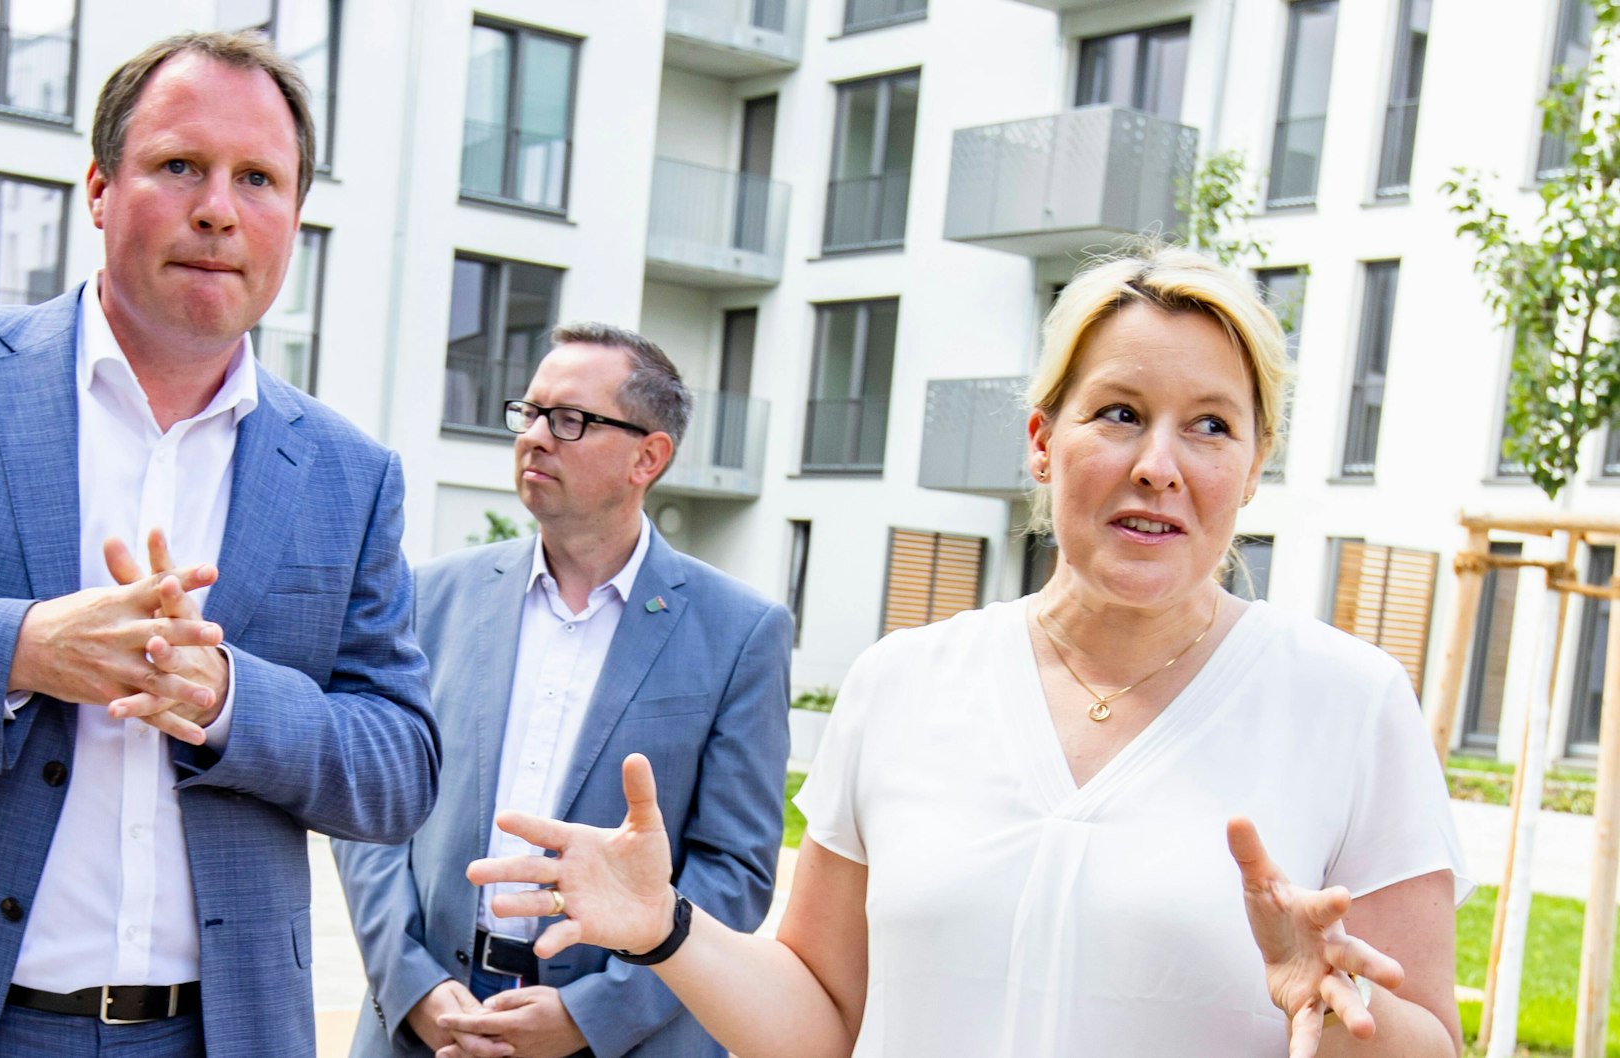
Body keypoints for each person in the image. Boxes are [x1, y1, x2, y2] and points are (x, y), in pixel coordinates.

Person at [464, 248, 1471, 1058]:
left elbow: (1426, 1037)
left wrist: (1336, 1006)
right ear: (1041, 439)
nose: (1157, 466)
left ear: (1250, 468)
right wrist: (668, 925)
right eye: (1117, 413)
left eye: (1208, 427)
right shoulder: (903, 683)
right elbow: (821, 1018)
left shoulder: (1348, 705)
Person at [0, 32, 439, 1058]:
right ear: (100, 188)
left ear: (293, 217)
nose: (217, 207)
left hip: (218, 1031)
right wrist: (20, 650)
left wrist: (230, 700)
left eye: (258, 178)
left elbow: (401, 762)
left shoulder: (349, 470)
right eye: (178, 166)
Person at [332, 323, 792, 1058]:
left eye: (570, 420)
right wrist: (412, 984)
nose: (536, 437)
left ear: (650, 455)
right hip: (426, 1028)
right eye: (531, 413)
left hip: (624, 1038)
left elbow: (732, 872)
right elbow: (373, 811)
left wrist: (592, 1016)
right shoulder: (431, 597)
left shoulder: (740, 631)